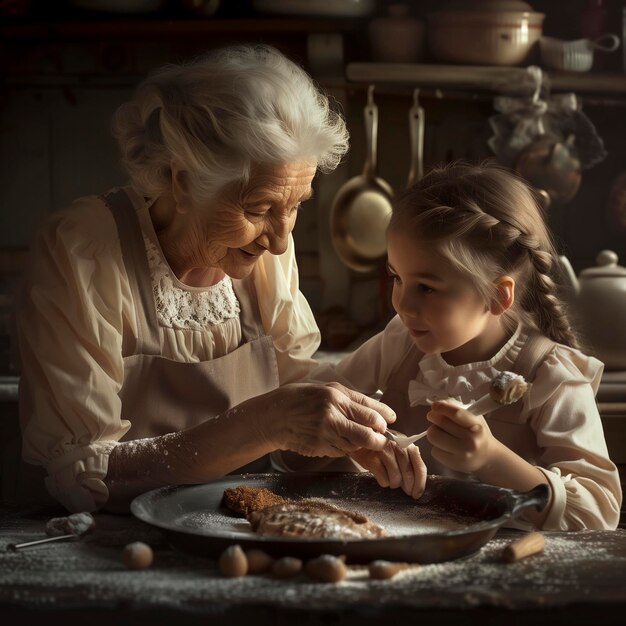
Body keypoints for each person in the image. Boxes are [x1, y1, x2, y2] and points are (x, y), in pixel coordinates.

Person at [14, 44, 426, 513]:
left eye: (296, 205)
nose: (279, 241)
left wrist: (345, 436)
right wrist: (266, 421)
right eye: (259, 209)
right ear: (183, 181)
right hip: (103, 547)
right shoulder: (83, 251)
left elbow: (291, 416)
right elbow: (83, 476)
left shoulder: (262, 251)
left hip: (235, 527)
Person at [305, 162, 622, 531]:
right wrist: (365, 441)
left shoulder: (552, 375)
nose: (402, 305)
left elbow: (597, 514)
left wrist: (490, 458)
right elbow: (309, 416)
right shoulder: (399, 342)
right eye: (396, 278)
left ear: (496, 296)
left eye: (426, 287)